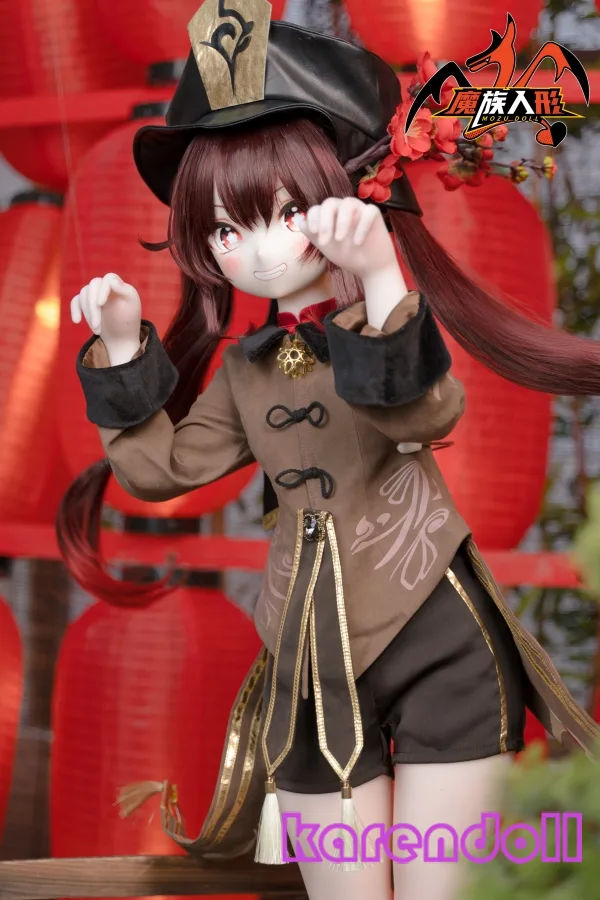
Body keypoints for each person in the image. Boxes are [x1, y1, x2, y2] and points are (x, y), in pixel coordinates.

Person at [58, 3, 600, 898]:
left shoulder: (386, 325)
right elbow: (159, 472)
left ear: (344, 198)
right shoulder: (246, 369)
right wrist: (120, 350)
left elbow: (423, 416)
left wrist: (383, 277)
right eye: (225, 231)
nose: (256, 253)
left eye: (282, 214)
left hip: (438, 642)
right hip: (309, 674)